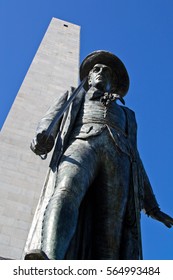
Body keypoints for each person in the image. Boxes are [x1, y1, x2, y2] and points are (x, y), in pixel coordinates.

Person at [24, 50, 173, 260]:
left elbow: (136, 159)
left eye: (107, 71)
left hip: (119, 158)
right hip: (81, 143)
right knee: (66, 190)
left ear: (114, 82)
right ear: (89, 77)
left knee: (112, 224)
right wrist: (41, 137)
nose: (101, 71)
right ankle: (50, 258)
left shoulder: (128, 115)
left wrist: (152, 206)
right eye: (96, 69)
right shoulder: (73, 95)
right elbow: (50, 120)